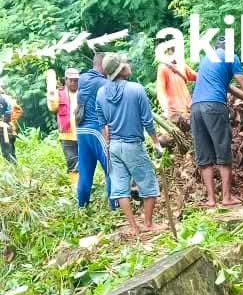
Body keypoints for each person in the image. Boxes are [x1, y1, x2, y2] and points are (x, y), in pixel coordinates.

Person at [190, 46, 243, 207]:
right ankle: (227, 198)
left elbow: (229, 87)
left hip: (196, 108)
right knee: (223, 150)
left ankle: (211, 200)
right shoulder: (230, 56)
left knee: (204, 155)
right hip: (214, 106)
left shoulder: (207, 59)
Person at [96, 53, 160, 238]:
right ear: (121, 69)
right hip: (133, 145)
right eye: (126, 63)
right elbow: (147, 121)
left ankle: (133, 227)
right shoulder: (136, 89)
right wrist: (156, 142)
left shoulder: (101, 93)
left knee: (120, 188)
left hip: (114, 146)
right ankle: (148, 224)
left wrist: (108, 145)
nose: (129, 65)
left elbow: (103, 123)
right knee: (149, 185)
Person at [76, 52, 114, 208]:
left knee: (85, 172)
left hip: (81, 131)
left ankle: (82, 207)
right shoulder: (103, 83)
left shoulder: (83, 78)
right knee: (111, 169)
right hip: (95, 131)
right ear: (103, 65)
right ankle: (116, 206)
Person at [47, 67, 80, 177]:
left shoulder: (83, 92)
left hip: (83, 134)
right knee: (72, 163)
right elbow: (52, 108)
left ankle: (85, 188)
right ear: (65, 80)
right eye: (71, 80)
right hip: (67, 135)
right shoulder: (59, 93)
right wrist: (51, 93)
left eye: (76, 80)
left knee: (84, 163)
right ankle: (74, 188)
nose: (74, 82)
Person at [157, 57, 196, 127]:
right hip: (176, 114)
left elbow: (197, 76)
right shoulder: (163, 68)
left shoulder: (181, 65)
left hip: (190, 109)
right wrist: (166, 110)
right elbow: (160, 92)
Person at [0, 84, 16, 164]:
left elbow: (9, 112)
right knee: (9, 150)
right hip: (8, 126)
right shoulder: (7, 98)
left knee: (7, 151)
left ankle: (14, 170)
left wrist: (4, 121)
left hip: (5, 128)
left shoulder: (3, 99)